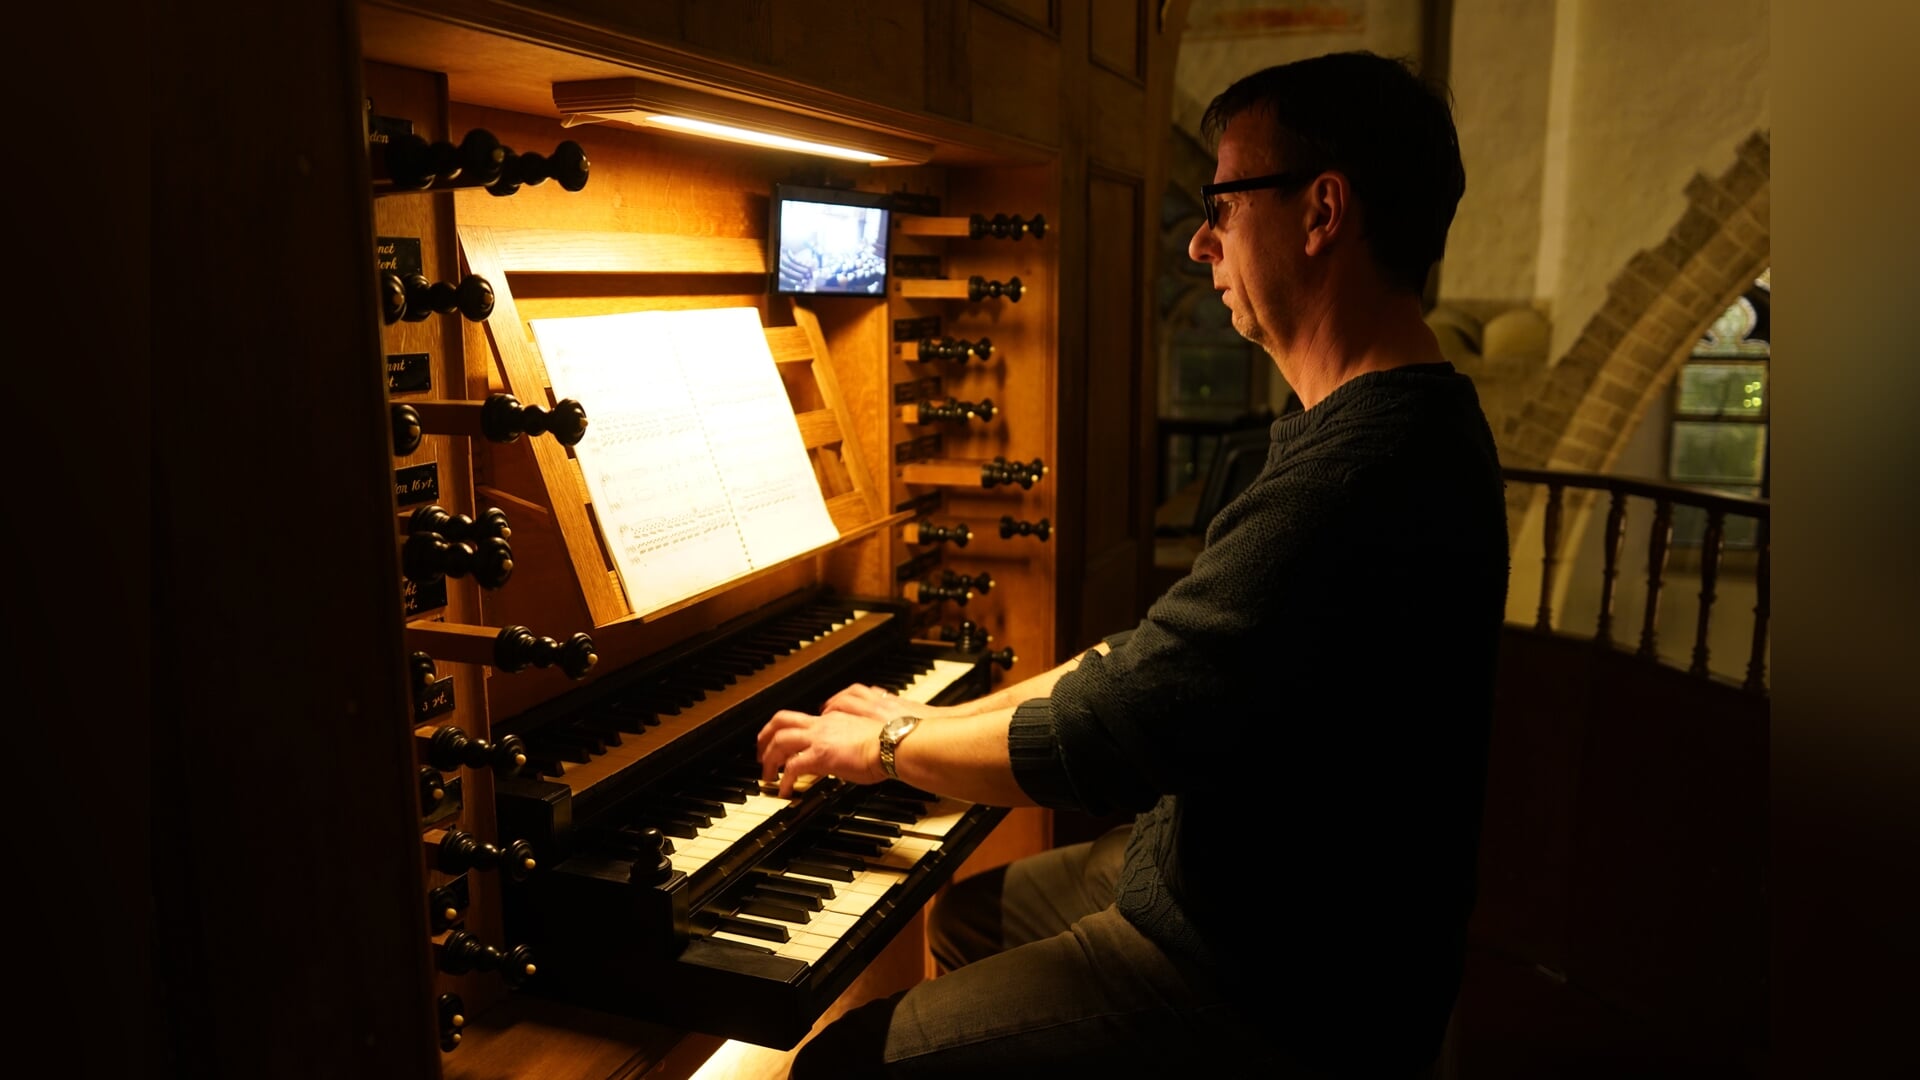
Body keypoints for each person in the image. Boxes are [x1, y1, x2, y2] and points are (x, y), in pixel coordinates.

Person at [757, 50, 1510, 1078]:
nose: (1201, 241)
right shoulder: (1364, 426)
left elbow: (1117, 733)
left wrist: (886, 750)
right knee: (971, 915)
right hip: (1231, 877)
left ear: (1322, 211)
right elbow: (1152, 657)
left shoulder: (1363, 474)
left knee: (835, 1067)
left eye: (1223, 203)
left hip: (1271, 977)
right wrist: (929, 722)